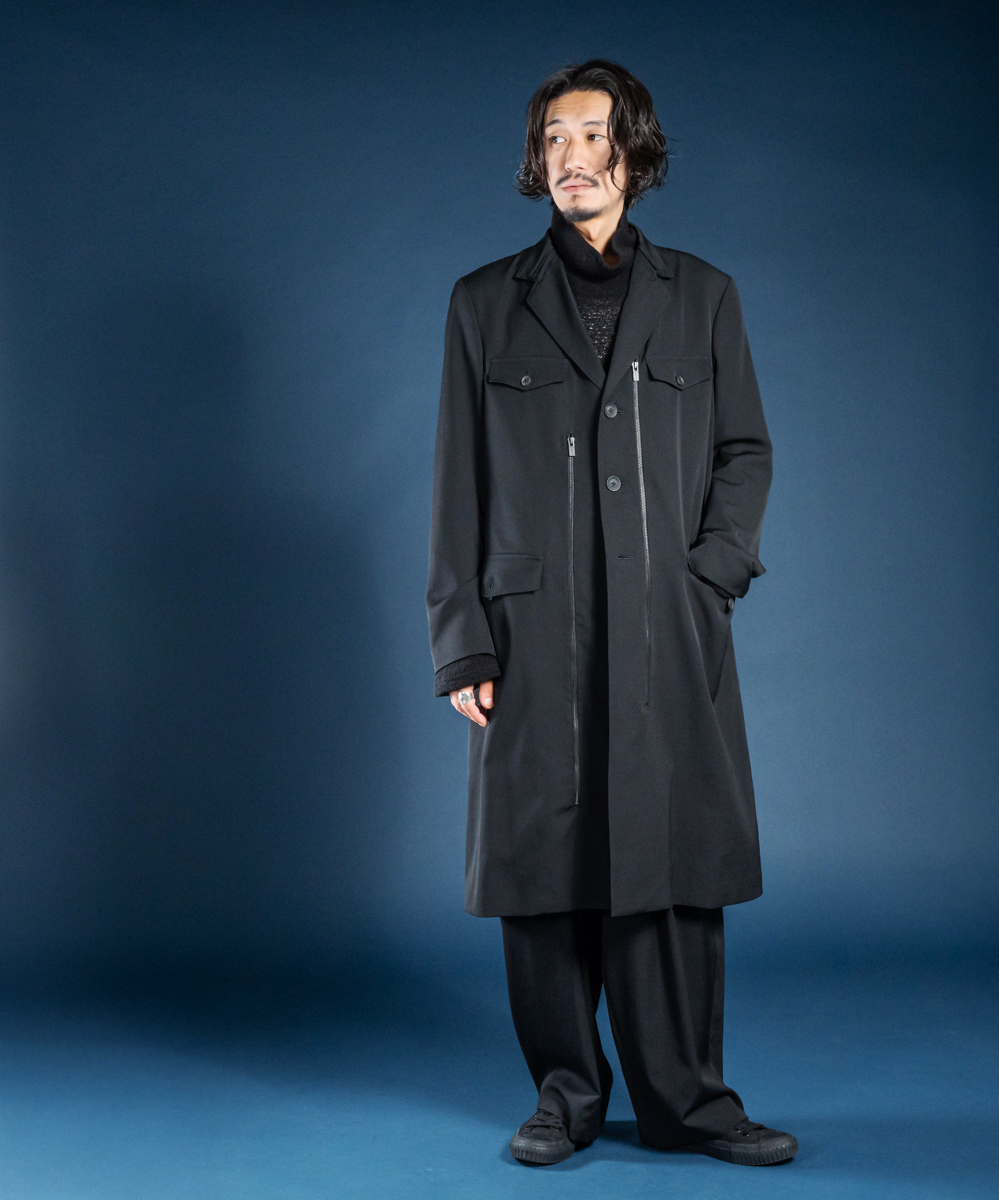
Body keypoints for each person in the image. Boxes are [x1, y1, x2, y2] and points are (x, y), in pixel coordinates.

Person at [425, 59, 793, 1168]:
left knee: (669, 860)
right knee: (542, 867)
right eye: (553, 139)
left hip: (665, 630)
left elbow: (745, 451)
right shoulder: (484, 303)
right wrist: (463, 641)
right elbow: (456, 485)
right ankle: (566, 1098)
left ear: (635, 151)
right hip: (531, 630)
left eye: (593, 135)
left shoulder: (703, 295)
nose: (571, 157)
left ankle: (690, 1106)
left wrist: (710, 575)